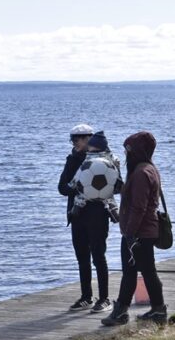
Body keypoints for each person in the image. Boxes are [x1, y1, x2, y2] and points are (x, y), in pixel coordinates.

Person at [102, 131, 167, 326]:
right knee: (147, 271)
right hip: (145, 230)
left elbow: (139, 207)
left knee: (132, 273)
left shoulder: (140, 173)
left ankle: (122, 311)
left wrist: (130, 233)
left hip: (138, 233)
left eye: (128, 150)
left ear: (137, 151)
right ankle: (157, 309)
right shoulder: (149, 168)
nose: (126, 154)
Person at [65, 130, 122, 313]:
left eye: (80, 139)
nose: (76, 143)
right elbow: (62, 187)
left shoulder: (110, 161)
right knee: (82, 257)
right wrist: (81, 185)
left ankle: (104, 299)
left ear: (90, 140)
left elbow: (118, 186)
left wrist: (95, 193)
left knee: (98, 256)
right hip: (77, 215)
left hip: (98, 213)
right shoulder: (73, 160)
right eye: (73, 139)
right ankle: (86, 297)